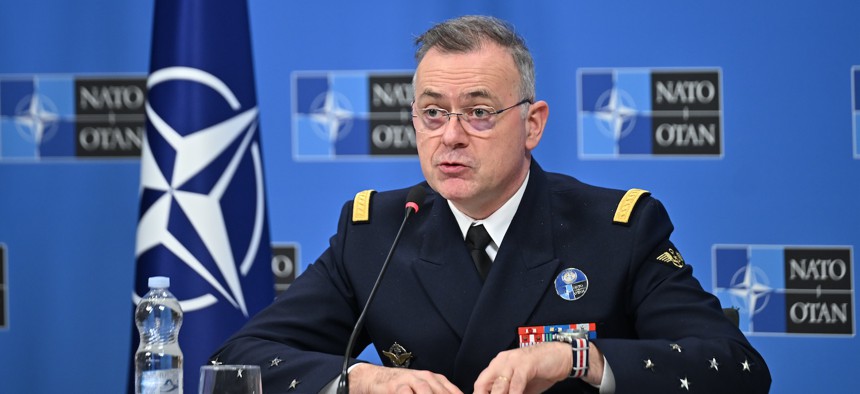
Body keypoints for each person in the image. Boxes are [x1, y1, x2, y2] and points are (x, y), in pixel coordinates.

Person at [213, 15, 771, 393]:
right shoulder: (377, 231)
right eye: (432, 113)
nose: (450, 136)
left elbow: (739, 367)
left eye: (479, 112)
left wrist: (580, 359)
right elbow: (237, 360)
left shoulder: (616, 229)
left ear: (532, 124)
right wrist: (361, 379)